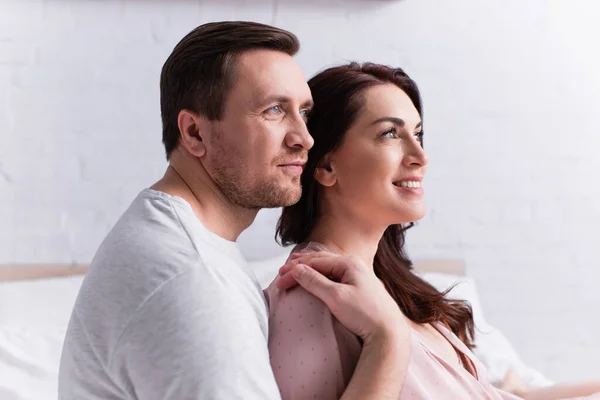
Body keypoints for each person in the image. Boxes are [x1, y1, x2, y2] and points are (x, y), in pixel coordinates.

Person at [58, 22, 410, 400]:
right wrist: (388, 340)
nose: (304, 138)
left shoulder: (171, 236)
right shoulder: (196, 282)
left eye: (303, 112)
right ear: (194, 133)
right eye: (274, 110)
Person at [268, 62, 600, 400]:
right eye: (389, 134)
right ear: (325, 165)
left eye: (418, 134)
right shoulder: (310, 298)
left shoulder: (390, 286)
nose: (420, 156)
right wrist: (388, 339)